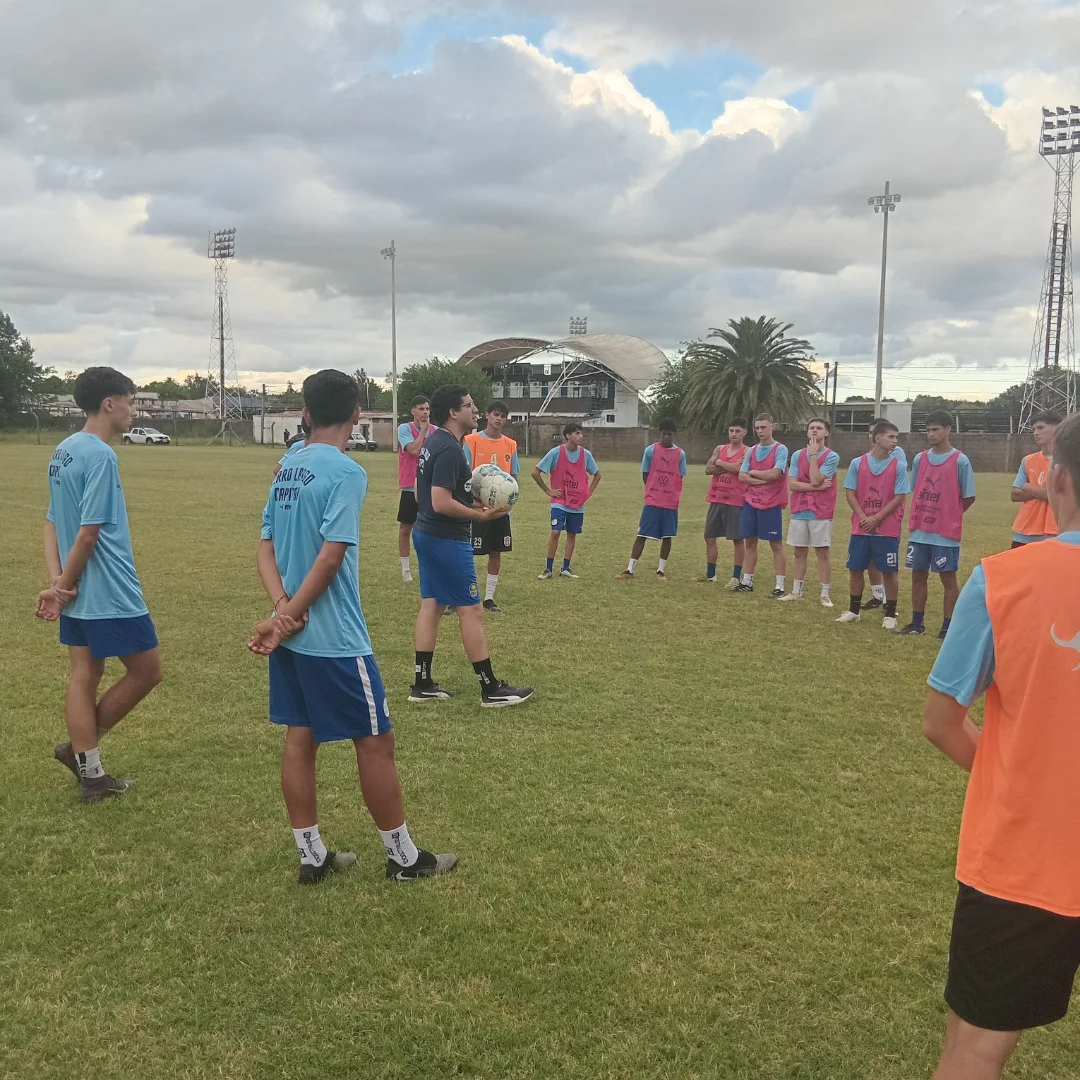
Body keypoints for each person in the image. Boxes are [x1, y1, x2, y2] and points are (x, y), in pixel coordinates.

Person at [920, 410, 1080, 1080]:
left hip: (1023, 858)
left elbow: (942, 722)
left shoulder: (1004, 579)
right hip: (1026, 861)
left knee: (975, 1047)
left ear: (1058, 479)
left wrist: (1018, 777)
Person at [249, 369, 457, 884]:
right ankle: (404, 859)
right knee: (376, 742)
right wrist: (291, 615)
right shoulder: (346, 472)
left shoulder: (286, 468)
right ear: (358, 415)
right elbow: (331, 557)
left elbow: (264, 549)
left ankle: (312, 856)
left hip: (292, 636)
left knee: (301, 738)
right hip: (334, 638)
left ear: (305, 413)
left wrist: (282, 611)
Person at [34, 367, 163, 803]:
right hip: (109, 588)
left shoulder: (64, 450)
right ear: (110, 403)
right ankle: (81, 751)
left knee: (84, 675)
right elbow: (87, 534)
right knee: (147, 671)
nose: (135, 409)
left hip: (76, 589)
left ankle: (91, 774)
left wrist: (58, 581)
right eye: (131, 400)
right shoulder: (101, 456)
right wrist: (63, 585)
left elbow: (51, 522)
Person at [409, 384, 533, 707]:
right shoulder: (450, 449)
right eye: (469, 405)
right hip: (446, 539)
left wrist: (473, 502)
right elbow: (439, 501)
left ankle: (422, 683)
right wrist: (479, 515)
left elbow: (422, 494)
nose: (475, 410)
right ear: (453, 412)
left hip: (426, 533)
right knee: (472, 610)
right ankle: (490, 688)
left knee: (432, 605)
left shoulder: (434, 442)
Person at [896, 411, 976, 640]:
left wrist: (950, 516)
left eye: (936, 429)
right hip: (919, 531)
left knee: (948, 579)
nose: (931, 434)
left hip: (945, 534)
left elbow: (969, 496)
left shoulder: (960, 460)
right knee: (917, 576)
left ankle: (947, 627)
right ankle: (917, 623)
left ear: (948, 429)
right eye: (928, 430)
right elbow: (917, 489)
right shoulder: (920, 459)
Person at [836, 420, 908, 631]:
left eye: (896, 437)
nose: (895, 441)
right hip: (861, 528)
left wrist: (876, 518)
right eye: (891, 436)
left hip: (887, 529)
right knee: (856, 569)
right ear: (878, 438)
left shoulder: (899, 466)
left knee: (889, 572)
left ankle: (890, 613)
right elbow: (850, 492)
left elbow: (899, 497)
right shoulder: (857, 463)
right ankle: (854, 611)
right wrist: (863, 517)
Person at [463, 401, 520, 612]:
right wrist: (473, 503)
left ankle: (488, 598)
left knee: (496, 551)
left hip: (500, 509)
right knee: (466, 552)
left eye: (503, 416)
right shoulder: (471, 441)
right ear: (487, 415)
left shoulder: (511, 445)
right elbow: (463, 476)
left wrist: (510, 500)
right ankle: (459, 596)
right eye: (496, 414)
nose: (499, 419)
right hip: (475, 508)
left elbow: (513, 477)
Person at [616, 419, 687, 580]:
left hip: (670, 503)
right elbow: (645, 474)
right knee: (642, 534)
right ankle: (629, 570)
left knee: (667, 536)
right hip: (653, 501)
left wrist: (670, 493)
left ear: (674, 435)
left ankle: (660, 571)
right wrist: (653, 490)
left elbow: (680, 477)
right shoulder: (650, 451)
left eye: (669, 434)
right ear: (659, 434)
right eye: (664, 434)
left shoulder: (680, 454)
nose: (666, 437)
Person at [781, 417, 840, 607]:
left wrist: (814, 455)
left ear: (826, 433)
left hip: (821, 511)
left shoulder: (831, 456)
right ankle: (796, 591)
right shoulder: (797, 455)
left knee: (822, 552)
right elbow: (793, 484)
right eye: (811, 427)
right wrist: (817, 487)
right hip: (799, 509)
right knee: (799, 551)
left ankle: (825, 594)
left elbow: (815, 478)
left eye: (819, 428)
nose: (814, 430)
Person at [532, 423, 601, 579]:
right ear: (568, 436)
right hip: (560, 502)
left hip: (577, 503)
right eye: (577, 433)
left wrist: (588, 492)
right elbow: (535, 472)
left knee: (572, 534)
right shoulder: (556, 452)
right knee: (555, 532)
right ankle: (548, 569)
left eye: (581, 433)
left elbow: (597, 474)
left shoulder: (585, 455)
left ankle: (566, 568)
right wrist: (548, 491)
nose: (581, 436)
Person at [735, 414, 789, 597]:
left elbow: (776, 474)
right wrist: (761, 479)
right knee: (749, 542)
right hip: (751, 502)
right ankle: (747, 581)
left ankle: (780, 586)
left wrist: (753, 473)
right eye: (757, 428)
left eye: (763, 427)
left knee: (776, 544)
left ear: (772, 426)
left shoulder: (780, 449)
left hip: (771, 503)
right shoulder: (752, 450)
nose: (760, 431)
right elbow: (741, 476)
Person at [864, 418, 909, 611]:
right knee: (870, 557)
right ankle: (877, 595)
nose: (872, 436)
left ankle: (888, 602)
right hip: (869, 512)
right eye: (870, 432)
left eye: (875, 432)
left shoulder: (895, 453)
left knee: (887, 560)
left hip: (889, 513)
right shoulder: (867, 457)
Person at [700, 417, 748, 588]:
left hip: (735, 501)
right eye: (731, 430)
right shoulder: (720, 448)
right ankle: (711, 575)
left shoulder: (747, 451)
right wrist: (729, 465)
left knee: (737, 539)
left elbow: (739, 469)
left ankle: (736, 577)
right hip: (716, 498)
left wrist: (720, 462)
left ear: (744, 432)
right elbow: (708, 469)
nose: (734, 434)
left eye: (737, 431)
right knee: (709, 536)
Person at [1010, 410, 1061, 549]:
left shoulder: (1068, 461)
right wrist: (1044, 493)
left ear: (1057, 428)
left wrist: (1028, 487)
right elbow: (1014, 495)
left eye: (1041, 427)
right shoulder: (1027, 460)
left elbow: (1057, 496)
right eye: (1034, 429)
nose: (1036, 433)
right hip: (1024, 529)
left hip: (1055, 531)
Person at [396, 396, 432, 583]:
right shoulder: (404, 429)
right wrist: (423, 431)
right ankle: (405, 569)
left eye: (427, 409)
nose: (425, 412)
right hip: (410, 487)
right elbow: (413, 450)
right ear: (413, 411)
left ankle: (429, 567)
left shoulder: (435, 431)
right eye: (421, 408)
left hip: (430, 488)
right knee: (406, 529)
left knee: (430, 529)